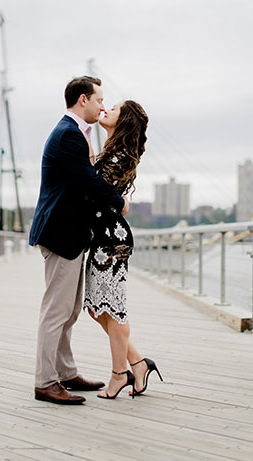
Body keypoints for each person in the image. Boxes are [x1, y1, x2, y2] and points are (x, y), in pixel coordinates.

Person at [29, 76, 129, 405]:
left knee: (69, 311)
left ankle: (66, 373)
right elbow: (87, 181)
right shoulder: (68, 135)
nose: (103, 106)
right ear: (83, 99)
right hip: (61, 234)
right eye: (100, 100)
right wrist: (119, 202)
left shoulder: (73, 132)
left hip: (70, 233)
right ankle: (45, 382)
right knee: (55, 312)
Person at [83, 100, 163, 399]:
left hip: (111, 241)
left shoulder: (118, 155)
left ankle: (120, 375)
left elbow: (95, 191)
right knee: (95, 308)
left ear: (123, 120)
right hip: (103, 237)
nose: (106, 109)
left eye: (113, 108)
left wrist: (119, 203)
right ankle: (138, 363)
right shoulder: (112, 150)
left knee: (113, 310)